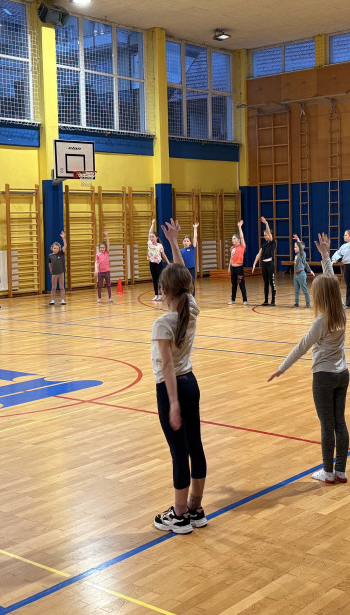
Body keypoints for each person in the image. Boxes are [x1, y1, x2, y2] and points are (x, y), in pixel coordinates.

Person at [268, 232, 350, 484]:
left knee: (327, 425)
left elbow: (301, 347)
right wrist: (325, 257)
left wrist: (281, 368)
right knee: (340, 423)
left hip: (324, 377)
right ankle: (340, 470)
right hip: (343, 374)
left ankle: (327, 471)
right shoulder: (342, 311)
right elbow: (332, 283)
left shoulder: (320, 321)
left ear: (320, 297)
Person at [151, 219, 207, 535]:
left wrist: (172, 403)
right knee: (195, 445)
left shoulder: (163, 323)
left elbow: (168, 366)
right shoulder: (192, 308)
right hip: (191, 384)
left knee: (179, 452)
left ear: (163, 291)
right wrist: (173, 243)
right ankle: (196, 508)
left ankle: (180, 513)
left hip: (171, 389)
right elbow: (183, 278)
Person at [252, 217, 277, 306]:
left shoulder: (273, 242)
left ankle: (273, 301)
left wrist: (266, 223)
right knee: (265, 283)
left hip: (270, 264)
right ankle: (266, 300)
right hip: (264, 264)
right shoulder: (264, 245)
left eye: (266, 235)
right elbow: (258, 254)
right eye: (264, 235)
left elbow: (269, 233)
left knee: (271, 283)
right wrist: (254, 264)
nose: (265, 236)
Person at [147, 220, 169, 302]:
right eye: (150, 237)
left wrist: (168, 262)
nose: (151, 238)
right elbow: (150, 232)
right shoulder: (149, 243)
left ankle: (160, 295)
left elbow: (163, 255)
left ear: (156, 237)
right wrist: (152, 224)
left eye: (153, 237)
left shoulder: (160, 246)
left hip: (158, 264)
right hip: (152, 264)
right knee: (154, 279)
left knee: (159, 280)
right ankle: (156, 295)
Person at [291, 234, 314, 308]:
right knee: (296, 290)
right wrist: (310, 270)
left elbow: (300, 248)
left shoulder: (302, 253)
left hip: (301, 274)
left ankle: (308, 304)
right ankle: (296, 303)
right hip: (296, 275)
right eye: (294, 247)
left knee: (304, 289)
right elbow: (305, 263)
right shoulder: (296, 255)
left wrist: (298, 240)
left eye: (296, 247)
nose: (294, 248)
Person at [228, 220, 247, 306]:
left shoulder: (242, 246)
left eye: (234, 238)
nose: (233, 240)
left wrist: (240, 227)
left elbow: (242, 237)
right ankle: (233, 299)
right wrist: (229, 267)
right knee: (234, 284)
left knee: (241, 283)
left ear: (238, 240)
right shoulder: (232, 248)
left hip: (239, 268)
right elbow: (231, 258)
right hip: (233, 268)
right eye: (232, 239)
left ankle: (245, 300)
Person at [180, 222, 199, 296]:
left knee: (192, 283)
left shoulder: (192, 248)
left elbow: (195, 238)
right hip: (184, 269)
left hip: (191, 268)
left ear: (190, 242)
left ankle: (192, 297)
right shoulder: (181, 251)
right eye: (184, 241)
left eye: (187, 241)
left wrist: (195, 228)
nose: (186, 242)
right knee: (185, 283)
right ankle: (186, 296)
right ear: (182, 242)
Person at [48, 232, 67, 305]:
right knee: (53, 287)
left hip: (61, 273)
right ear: (52, 248)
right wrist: (50, 269)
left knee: (62, 287)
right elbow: (49, 263)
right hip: (54, 273)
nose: (55, 249)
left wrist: (63, 238)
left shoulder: (60, 254)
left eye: (57, 248)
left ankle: (63, 300)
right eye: (54, 248)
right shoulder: (50, 256)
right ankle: (52, 300)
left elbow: (65, 245)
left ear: (59, 249)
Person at [95, 229, 112, 303]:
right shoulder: (98, 255)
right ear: (99, 248)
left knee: (108, 285)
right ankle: (99, 298)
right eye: (101, 248)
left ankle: (110, 297)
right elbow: (96, 263)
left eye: (103, 247)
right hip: (100, 273)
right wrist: (96, 270)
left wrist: (107, 236)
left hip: (107, 272)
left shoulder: (107, 253)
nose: (102, 249)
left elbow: (108, 244)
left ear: (105, 248)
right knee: (99, 286)